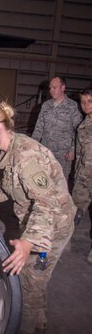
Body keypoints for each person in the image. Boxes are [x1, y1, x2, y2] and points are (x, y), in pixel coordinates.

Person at [0, 101, 76, 334]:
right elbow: (11, 186)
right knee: (38, 275)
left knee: (29, 277)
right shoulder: (12, 150)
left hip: (52, 224)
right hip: (41, 219)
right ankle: (39, 318)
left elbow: (46, 204)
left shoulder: (26, 157)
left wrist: (29, 242)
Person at [32, 76, 83, 181]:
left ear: (63, 87)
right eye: (50, 88)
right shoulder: (46, 105)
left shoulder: (73, 107)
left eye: (54, 88)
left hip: (63, 153)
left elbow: (78, 130)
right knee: (44, 180)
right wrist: (32, 145)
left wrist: (73, 150)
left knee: (61, 182)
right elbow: (39, 128)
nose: (51, 90)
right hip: (46, 150)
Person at [72, 88, 92, 263]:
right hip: (83, 178)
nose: (85, 105)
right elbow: (79, 153)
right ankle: (64, 241)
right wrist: (76, 171)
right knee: (74, 211)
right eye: (83, 102)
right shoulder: (84, 124)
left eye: (89, 101)